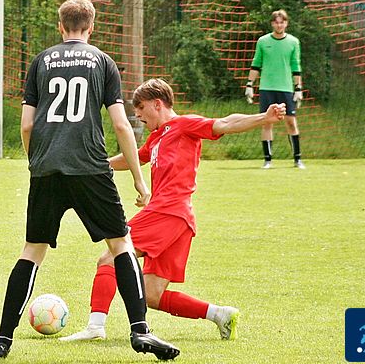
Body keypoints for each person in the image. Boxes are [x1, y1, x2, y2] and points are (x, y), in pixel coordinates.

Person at [0, 0, 178, 360]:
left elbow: (27, 124)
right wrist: (139, 179)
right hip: (90, 167)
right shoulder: (103, 62)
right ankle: (140, 331)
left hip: (46, 168)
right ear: (91, 27)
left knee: (32, 251)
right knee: (120, 244)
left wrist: (36, 161)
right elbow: (120, 124)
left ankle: (2, 340)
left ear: (60, 26)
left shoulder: (41, 61)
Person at [62, 78, 287, 343]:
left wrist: (264, 117)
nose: (138, 115)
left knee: (110, 258)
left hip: (167, 212)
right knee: (151, 294)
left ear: (157, 104)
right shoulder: (157, 137)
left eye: (141, 108)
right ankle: (219, 314)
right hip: (180, 220)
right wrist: (97, 165)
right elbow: (134, 158)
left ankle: (95, 326)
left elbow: (225, 123)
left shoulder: (184, 124)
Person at [245, 9, 305, 169]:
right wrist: (249, 84)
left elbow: (296, 65)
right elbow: (256, 63)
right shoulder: (263, 41)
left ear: (286, 23)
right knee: (267, 122)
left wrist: (298, 88)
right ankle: (267, 160)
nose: (279, 25)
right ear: (272, 24)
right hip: (267, 88)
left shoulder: (293, 42)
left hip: (286, 88)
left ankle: (297, 159)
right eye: (276, 22)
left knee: (291, 122)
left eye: (282, 22)